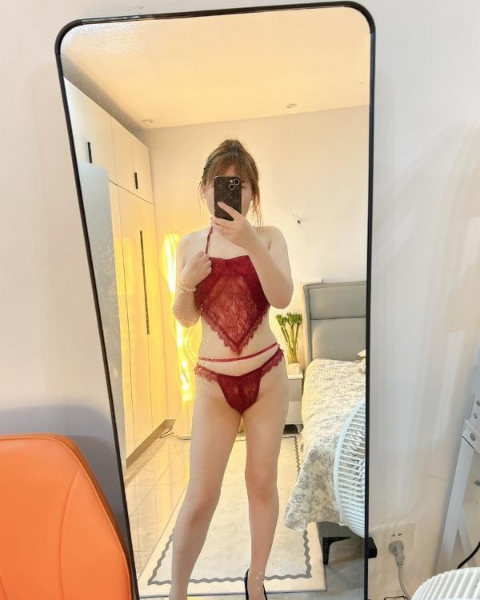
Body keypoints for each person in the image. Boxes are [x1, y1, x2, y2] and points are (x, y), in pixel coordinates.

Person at [170, 139, 293, 600]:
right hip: (213, 385)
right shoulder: (189, 245)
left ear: (252, 193)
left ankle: (255, 580)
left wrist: (250, 243)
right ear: (204, 188)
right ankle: (177, 593)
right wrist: (186, 284)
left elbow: (282, 297)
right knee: (201, 494)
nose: (229, 190)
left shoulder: (270, 237)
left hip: (267, 378)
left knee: (261, 483)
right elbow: (185, 318)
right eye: (220, 181)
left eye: (239, 184)